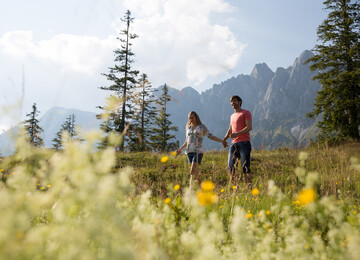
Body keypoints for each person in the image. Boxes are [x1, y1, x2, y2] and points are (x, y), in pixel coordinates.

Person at [176, 111, 225, 185]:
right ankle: (203, 189)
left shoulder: (202, 127)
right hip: (189, 152)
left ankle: (190, 190)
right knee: (195, 174)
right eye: (189, 118)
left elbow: (211, 136)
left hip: (198, 151)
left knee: (192, 171)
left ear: (196, 117)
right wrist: (180, 149)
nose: (191, 120)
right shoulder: (189, 128)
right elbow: (187, 141)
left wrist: (222, 141)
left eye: (192, 118)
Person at [223, 95, 253, 187]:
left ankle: (250, 188)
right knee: (230, 167)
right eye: (231, 102)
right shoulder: (232, 116)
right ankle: (235, 189)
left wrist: (237, 134)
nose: (233, 103)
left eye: (235, 101)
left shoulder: (246, 112)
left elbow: (249, 127)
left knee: (245, 168)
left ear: (239, 102)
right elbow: (230, 129)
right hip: (233, 144)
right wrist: (224, 139)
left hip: (244, 143)